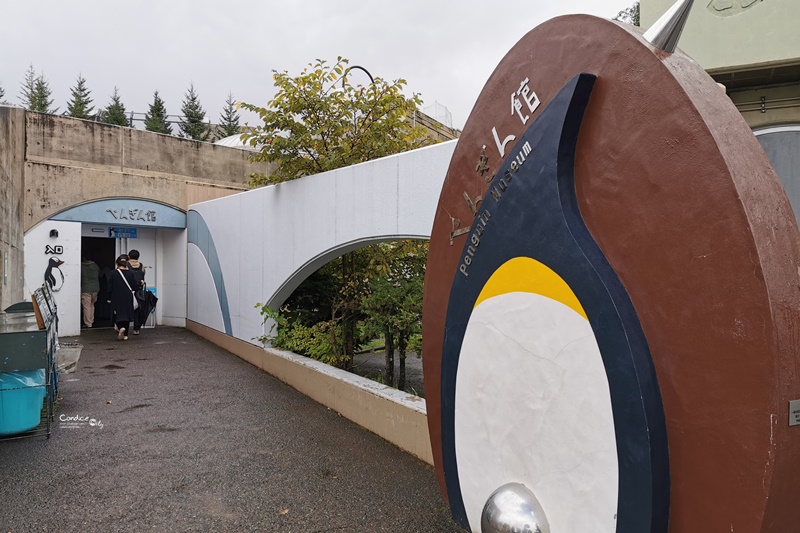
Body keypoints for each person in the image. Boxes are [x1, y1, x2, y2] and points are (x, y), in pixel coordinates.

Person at [107, 255, 138, 340]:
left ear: (117, 263)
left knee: (116, 313)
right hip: (128, 296)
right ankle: (125, 334)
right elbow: (135, 287)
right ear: (127, 263)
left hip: (116, 296)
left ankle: (120, 328)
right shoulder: (131, 273)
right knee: (127, 314)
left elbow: (110, 287)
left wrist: (109, 297)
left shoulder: (113, 273)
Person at [127, 249, 146, 334]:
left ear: (129, 256)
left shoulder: (126, 265)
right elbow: (143, 275)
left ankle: (123, 327)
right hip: (138, 291)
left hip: (128, 291)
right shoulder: (141, 265)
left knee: (126, 309)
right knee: (138, 310)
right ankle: (136, 329)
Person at [80, 256, 100, 328]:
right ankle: (91, 321)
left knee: (86, 306)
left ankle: (88, 323)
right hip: (96, 288)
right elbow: (99, 274)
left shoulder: (81, 266)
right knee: (92, 305)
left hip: (85, 288)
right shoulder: (95, 266)